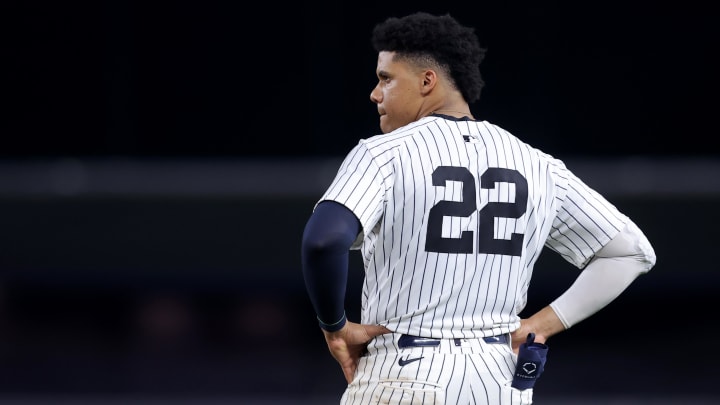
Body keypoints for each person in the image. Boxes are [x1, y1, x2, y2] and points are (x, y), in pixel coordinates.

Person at [300, 11, 656, 405]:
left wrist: (335, 327)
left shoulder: (383, 153)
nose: (375, 92)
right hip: (499, 379)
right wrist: (543, 325)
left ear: (426, 81)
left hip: (403, 372)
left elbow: (323, 241)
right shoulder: (536, 163)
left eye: (386, 78)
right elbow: (630, 251)